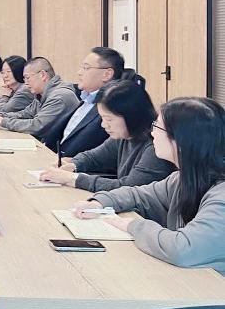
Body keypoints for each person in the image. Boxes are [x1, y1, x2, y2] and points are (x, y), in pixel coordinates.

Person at [72, 97, 225, 274]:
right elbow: (139, 195)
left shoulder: (220, 195)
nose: (152, 133)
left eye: (157, 127)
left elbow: (183, 250)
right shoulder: (183, 179)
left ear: (181, 140)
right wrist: (99, 202)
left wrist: (133, 226)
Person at [40, 80, 175, 190]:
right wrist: (73, 165)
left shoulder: (156, 146)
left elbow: (128, 188)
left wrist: (72, 178)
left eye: (109, 119)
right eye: (102, 118)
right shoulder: (125, 135)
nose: (103, 125)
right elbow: (94, 157)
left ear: (131, 116)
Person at [43, 47, 124, 157]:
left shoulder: (112, 109)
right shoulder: (85, 99)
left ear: (107, 74)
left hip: (75, 164)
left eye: (86, 68)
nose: (79, 73)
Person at [0, 57, 79, 139]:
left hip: (58, 152)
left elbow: (37, 126)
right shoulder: (42, 93)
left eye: (27, 78)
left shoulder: (59, 96)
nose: (26, 83)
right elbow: (25, 114)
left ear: (42, 75)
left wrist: (2, 121)